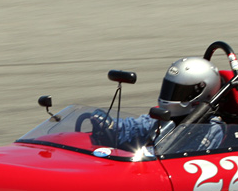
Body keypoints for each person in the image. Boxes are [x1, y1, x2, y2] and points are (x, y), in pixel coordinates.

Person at [92, 57, 230, 153]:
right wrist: (108, 124)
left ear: (203, 92)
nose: (171, 95)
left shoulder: (210, 129)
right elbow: (134, 127)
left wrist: (144, 154)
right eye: (169, 88)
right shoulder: (164, 117)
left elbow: (179, 157)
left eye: (179, 91)